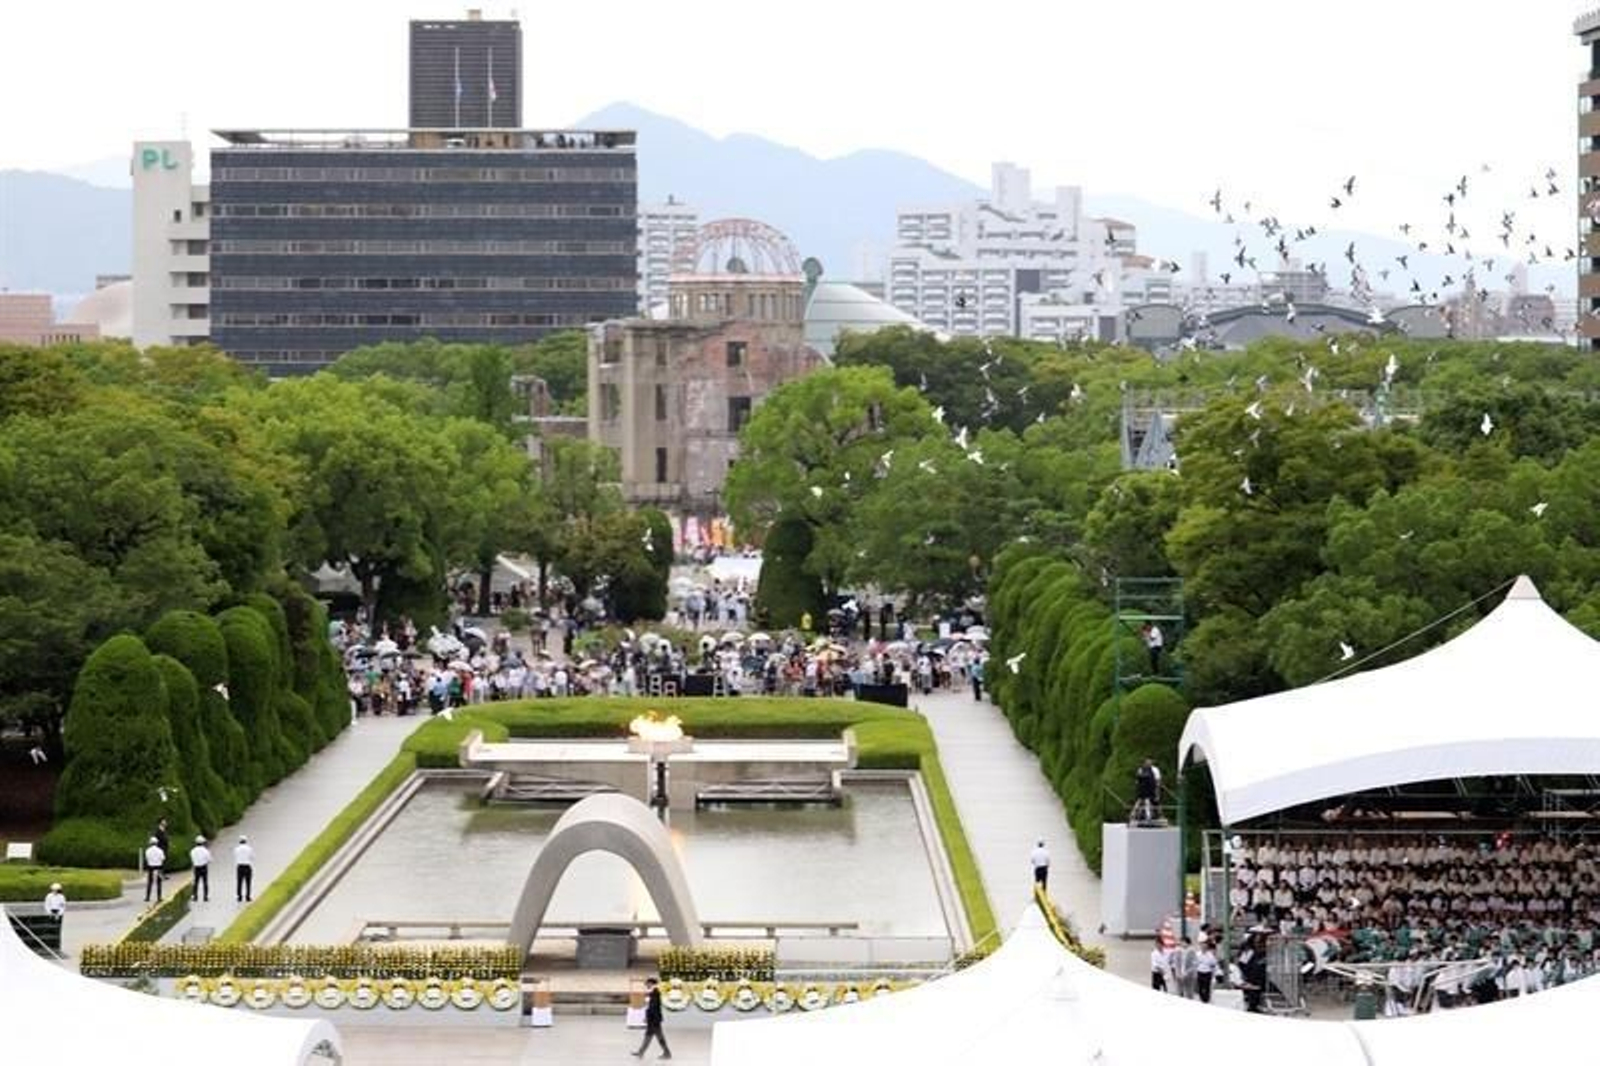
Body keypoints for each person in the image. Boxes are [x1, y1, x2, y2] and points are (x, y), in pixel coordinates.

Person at [632, 976, 671, 1059]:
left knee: (649, 1035)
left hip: (654, 1019)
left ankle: (641, 1052)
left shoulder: (655, 992)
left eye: (647, 983)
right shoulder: (653, 992)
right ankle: (666, 1053)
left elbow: (653, 1007)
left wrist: (648, 1017)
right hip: (655, 1018)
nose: (646, 985)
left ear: (651, 983)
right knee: (658, 1036)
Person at [1134, 758, 1161, 824]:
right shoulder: (1141, 769)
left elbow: (1157, 780)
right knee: (1142, 801)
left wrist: (1157, 790)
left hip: (1151, 788)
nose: (1148, 764)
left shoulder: (1154, 770)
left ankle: (1156, 815)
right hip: (1144, 789)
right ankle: (1136, 815)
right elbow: (1137, 780)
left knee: (1154, 802)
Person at [143, 836, 165, 903]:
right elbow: (163, 858)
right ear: (157, 843)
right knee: (159, 883)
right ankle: (159, 897)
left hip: (150, 868)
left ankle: (147, 897)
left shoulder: (147, 850)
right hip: (159, 867)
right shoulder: (160, 850)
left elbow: (147, 859)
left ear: (150, 843)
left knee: (150, 882)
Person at [190, 835, 212, 902]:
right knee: (205, 882)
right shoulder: (205, 851)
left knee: (196, 882)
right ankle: (205, 896)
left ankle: (195, 896)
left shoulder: (193, 851)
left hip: (196, 867)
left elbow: (192, 859)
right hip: (204, 867)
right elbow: (209, 860)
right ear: (203, 843)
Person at [234, 835, 255, 903]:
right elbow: (252, 857)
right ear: (246, 841)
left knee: (239, 882)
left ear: (240, 841)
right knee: (248, 882)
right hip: (247, 866)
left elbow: (235, 856)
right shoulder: (249, 848)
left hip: (240, 866)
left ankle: (239, 896)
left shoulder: (236, 849)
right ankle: (248, 896)